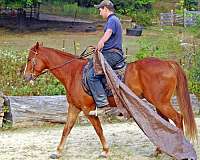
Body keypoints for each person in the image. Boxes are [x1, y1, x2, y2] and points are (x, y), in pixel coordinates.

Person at [87, 0, 124, 116]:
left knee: (91, 75)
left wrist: (100, 43)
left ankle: (103, 105)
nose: (99, 13)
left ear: (106, 9)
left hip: (113, 54)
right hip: (111, 52)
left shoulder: (112, 20)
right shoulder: (114, 20)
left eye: (100, 10)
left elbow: (107, 34)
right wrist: (98, 48)